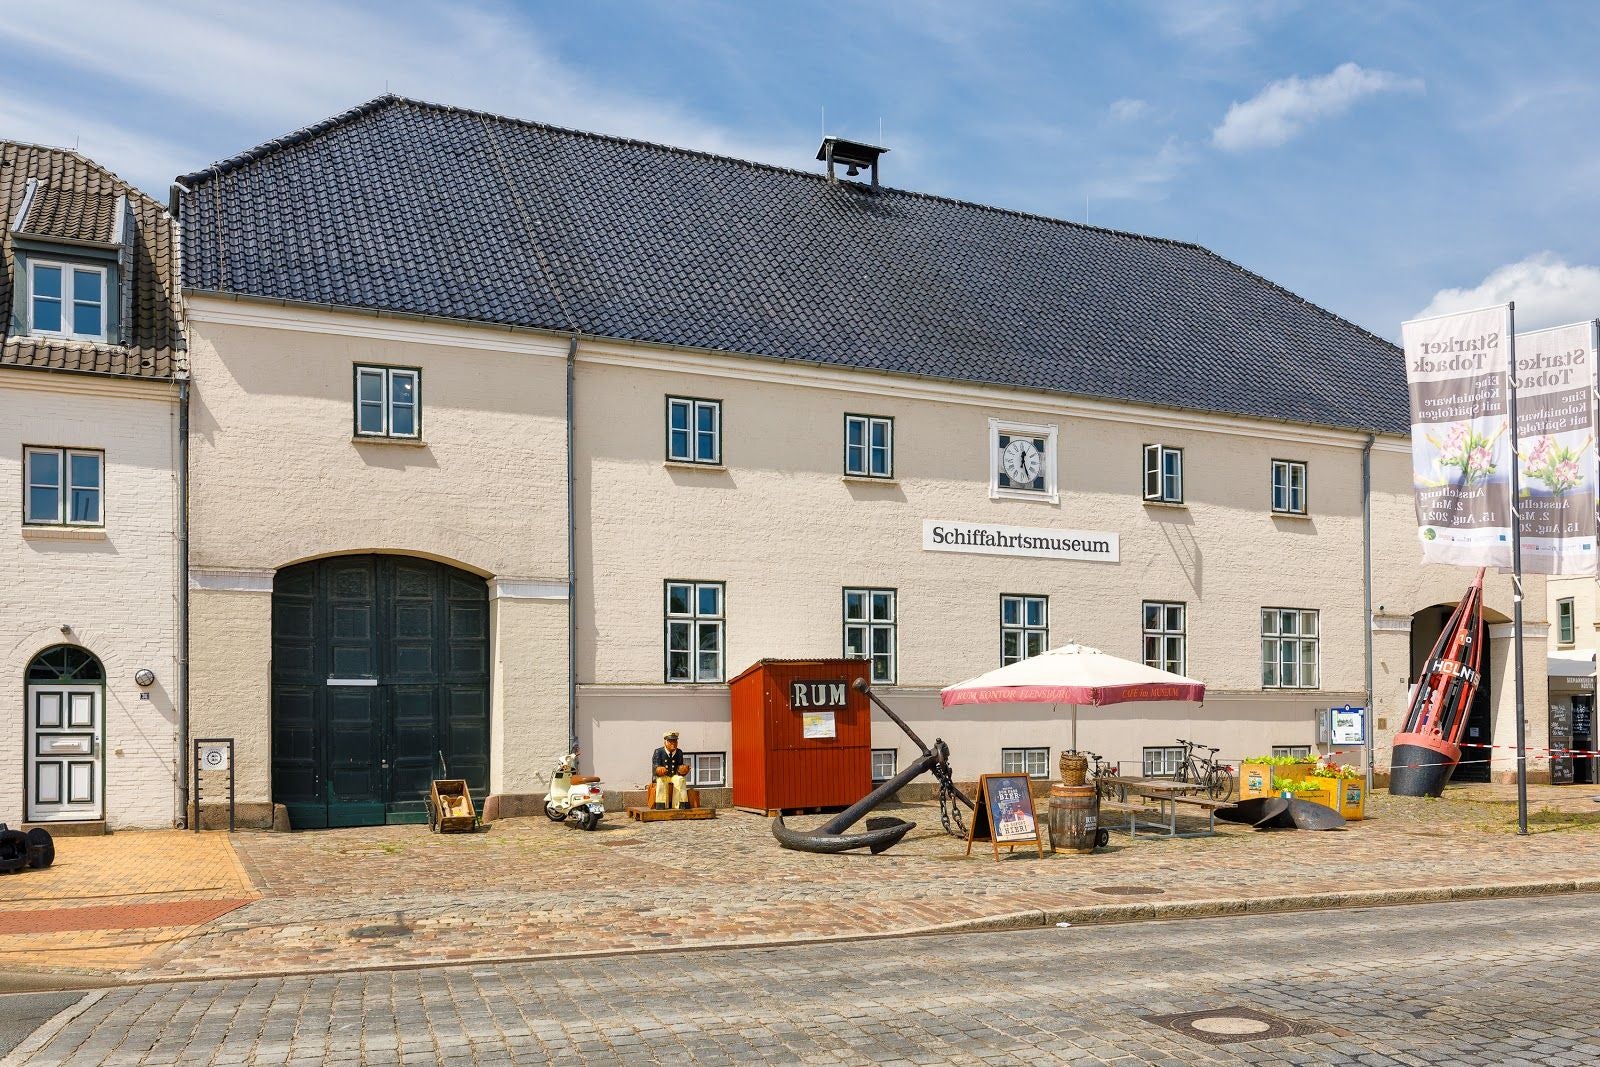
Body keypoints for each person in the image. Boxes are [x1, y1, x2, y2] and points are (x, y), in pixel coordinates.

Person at [651, 731, 691, 809]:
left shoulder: (679, 752)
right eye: (670, 741)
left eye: (675, 741)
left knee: (681, 780)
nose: (673, 743)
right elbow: (655, 766)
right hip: (663, 776)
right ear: (665, 742)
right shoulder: (658, 752)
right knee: (661, 781)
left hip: (673, 776)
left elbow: (679, 766)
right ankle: (661, 804)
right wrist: (658, 769)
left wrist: (683, 770)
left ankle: (681, 804)